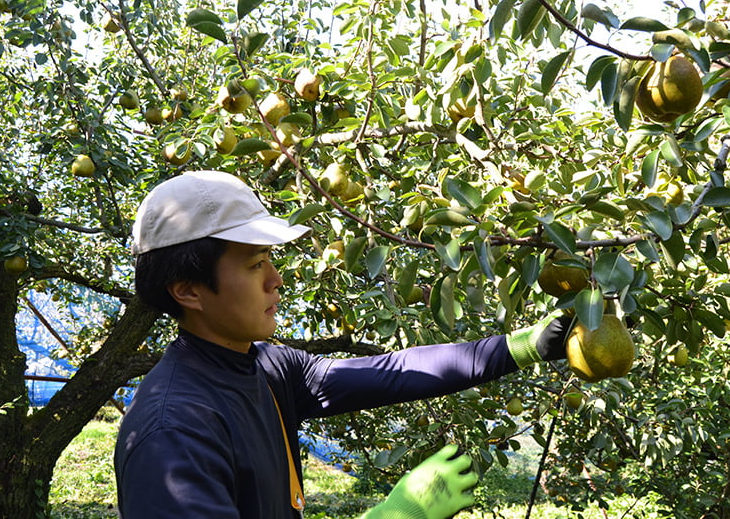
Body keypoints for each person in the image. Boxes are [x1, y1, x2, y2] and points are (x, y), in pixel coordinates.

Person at [114, 170, 574, 519]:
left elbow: (391, 373)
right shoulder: (173, 431)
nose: (276, 280)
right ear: (188, 290)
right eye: (255, 265)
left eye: (270, 261)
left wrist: (523, 346)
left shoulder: (268, 367)